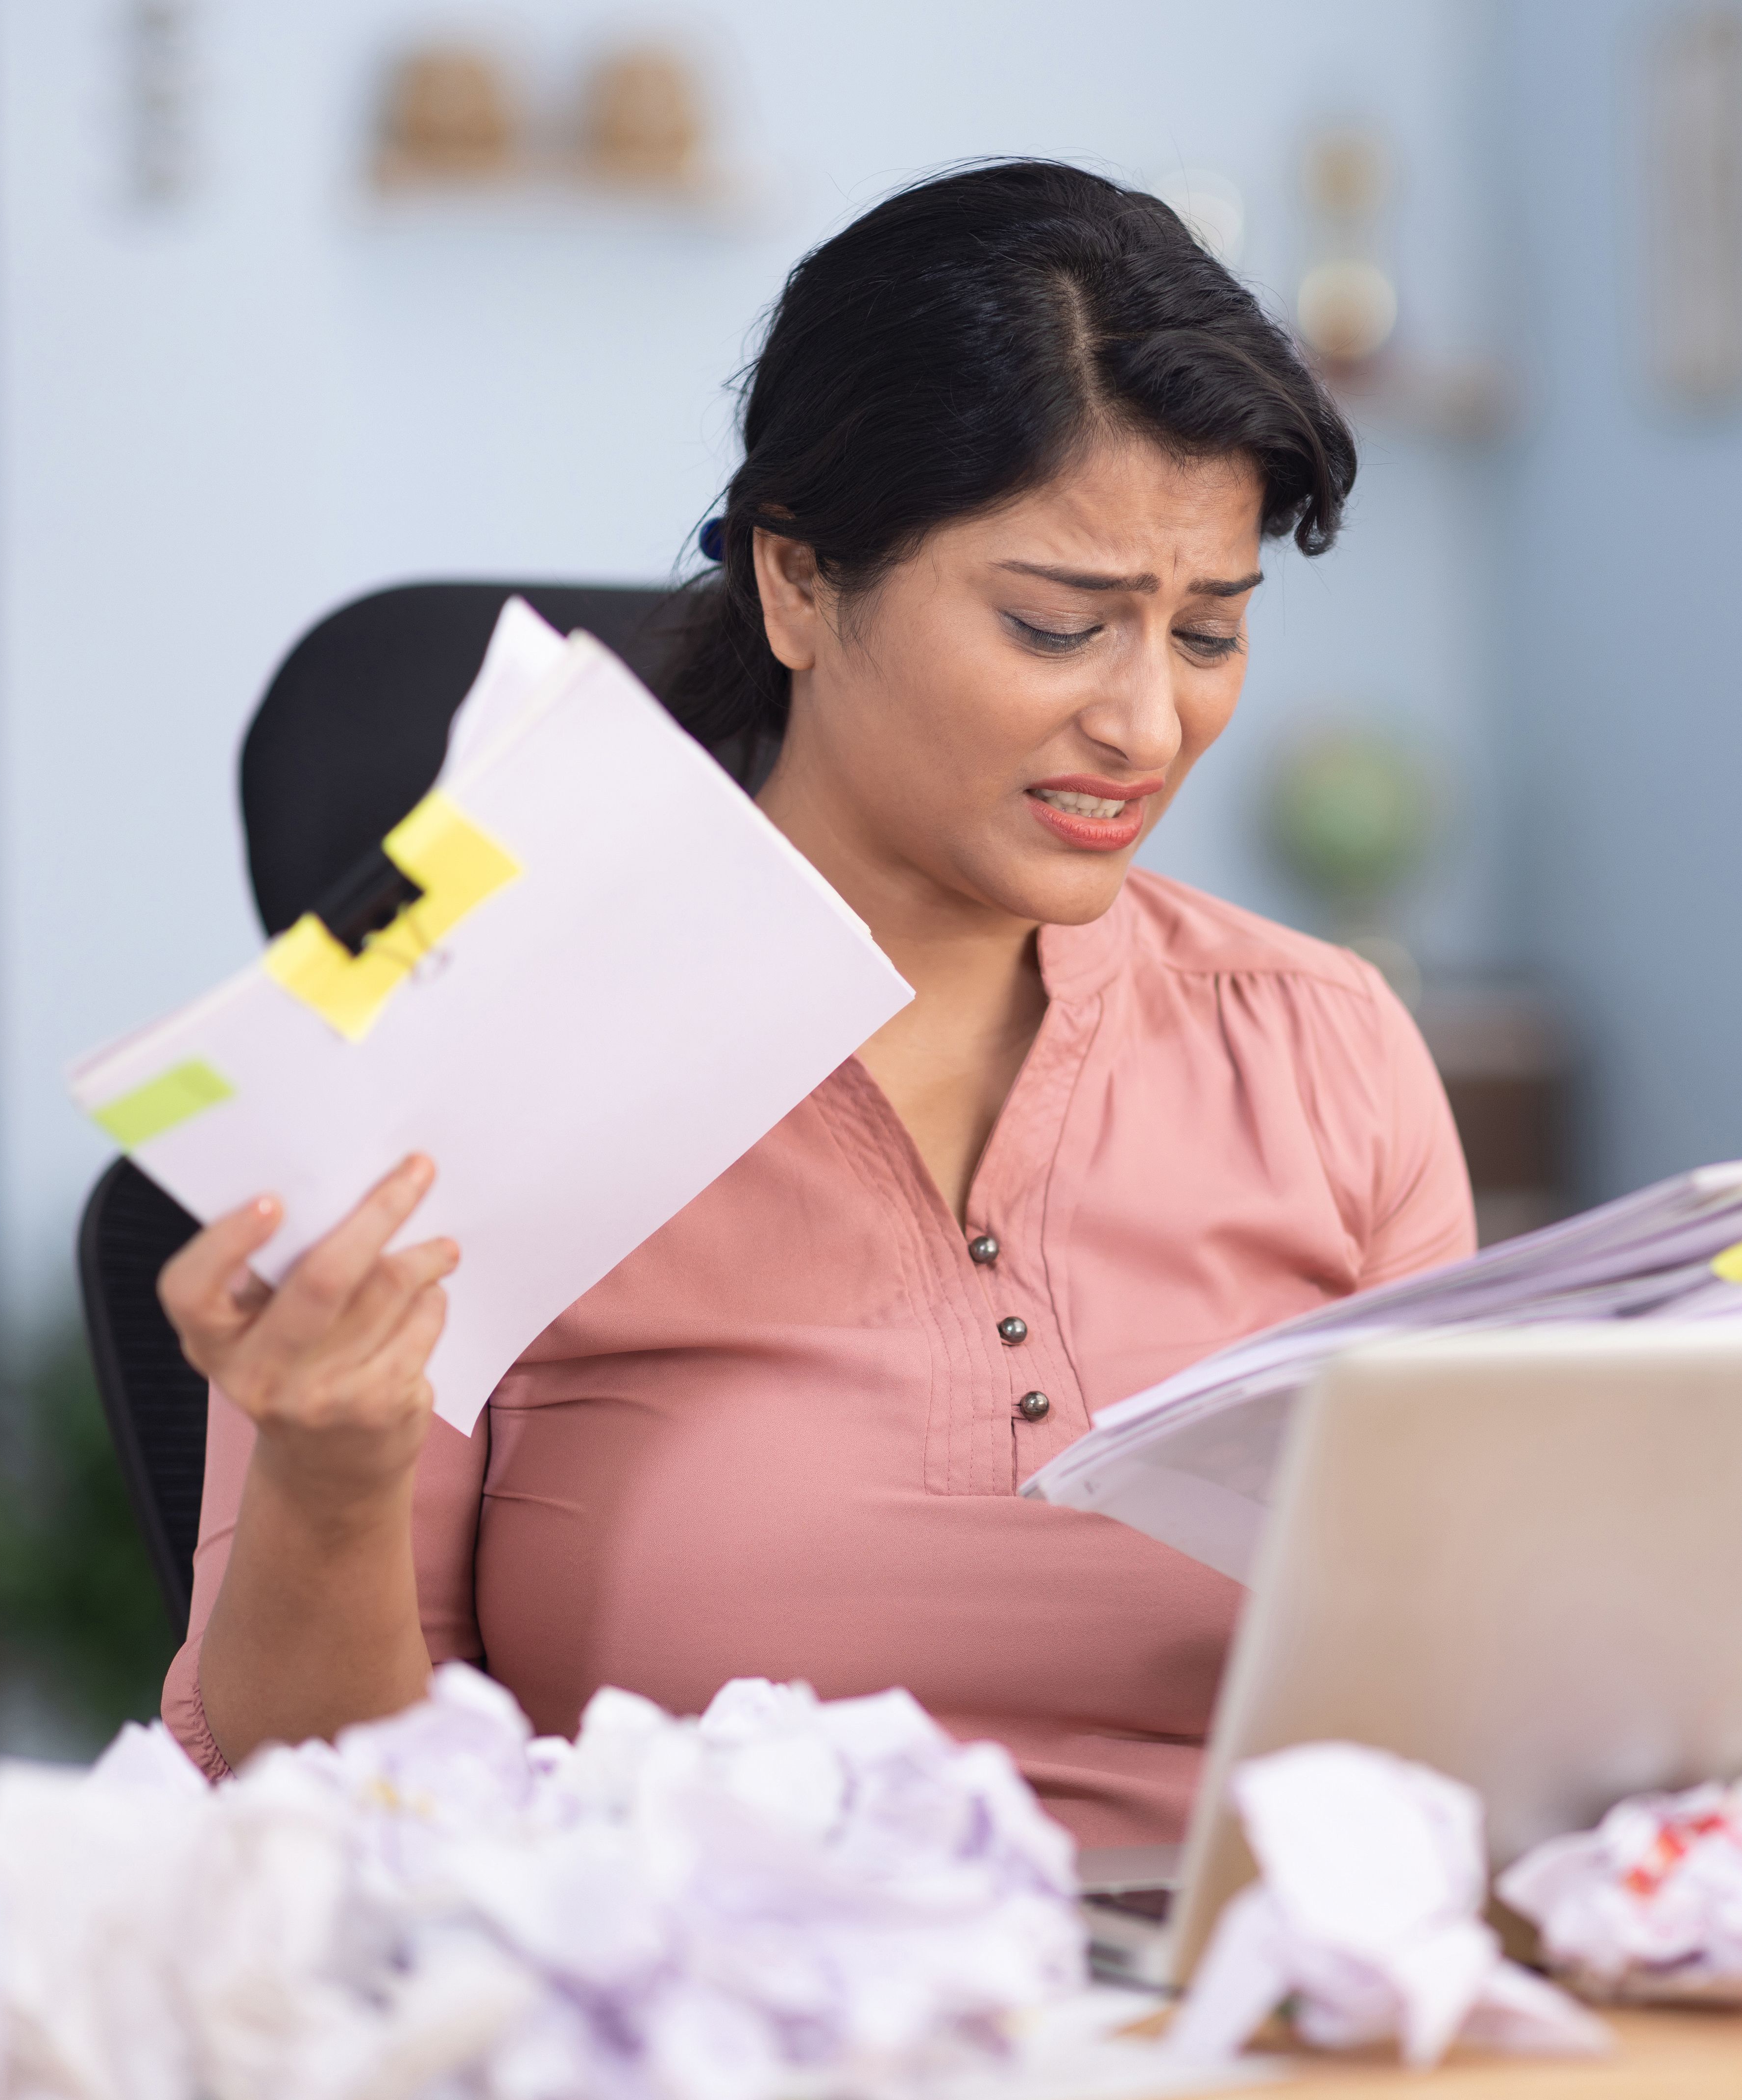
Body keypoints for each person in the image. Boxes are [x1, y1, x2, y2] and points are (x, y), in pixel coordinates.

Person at [151, 161, 1473, 1846]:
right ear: (795, 584)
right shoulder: (456, 1070)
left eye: (1208, 632)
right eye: (1056, 626)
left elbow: (1464, 1696)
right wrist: (328, 1475)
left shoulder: (1327, 1052)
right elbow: (309, 1802)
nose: (1148, 726)